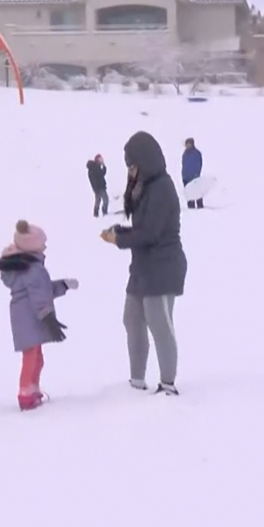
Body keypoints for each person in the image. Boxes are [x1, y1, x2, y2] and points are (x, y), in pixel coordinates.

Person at [102, 131, 187, 396]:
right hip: (143, 266)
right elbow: (141, 228)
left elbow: (151, 233)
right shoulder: (143, 188)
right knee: (132, 318)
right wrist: (120, 231)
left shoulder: (162, 187)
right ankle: (136, 382)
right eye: (128, 166)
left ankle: (168, 384)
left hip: (163, 266)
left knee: (158, 321)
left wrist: (120, 240)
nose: (130, 171)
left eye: (133, 165)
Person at [0, 220, 78, 411]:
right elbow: (40, 297)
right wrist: (49, 319)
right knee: (32, 357)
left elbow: (42, 291)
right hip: (30, 318)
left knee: (35, 356)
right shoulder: (33, 270)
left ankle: (32, 389)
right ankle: (26, 394)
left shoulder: (25, 268)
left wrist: (63, 285)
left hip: (27, 317)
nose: (45, 246)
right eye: (42, 243)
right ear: (32, 246)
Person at [182, 137, 204, 209]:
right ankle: (191, 208)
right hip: (186, 178)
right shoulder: (185, 154)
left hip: (195, 177)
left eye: (188, 144)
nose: (187, 146)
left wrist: (196, 174)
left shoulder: (197, 153)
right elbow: (183, 165)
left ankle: (200, 208)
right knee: (190, 196)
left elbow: (199, 164)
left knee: (198, 194)